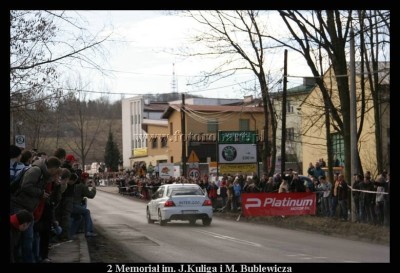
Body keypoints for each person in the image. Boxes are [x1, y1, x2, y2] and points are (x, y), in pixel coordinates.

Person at [10, 156, 61, 263]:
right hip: (20, 205)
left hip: (28, 207)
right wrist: (41, 193)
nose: (57, 172)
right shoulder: (36, 170)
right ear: (53, 167)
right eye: (57, 169)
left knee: (28, 238)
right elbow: (26, 186)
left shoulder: (43, 173)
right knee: (25, 238)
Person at [71, 172, 97, 237]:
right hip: (74, 205)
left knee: (78, 217)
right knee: (87, 212)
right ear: (86, 179)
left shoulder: (78, 184)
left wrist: (86, 185)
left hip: (70, 204)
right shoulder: (82, 186)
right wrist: (94, 187)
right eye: (87, 179)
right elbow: (91, 195)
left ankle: (71, 233)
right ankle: (88, 231)